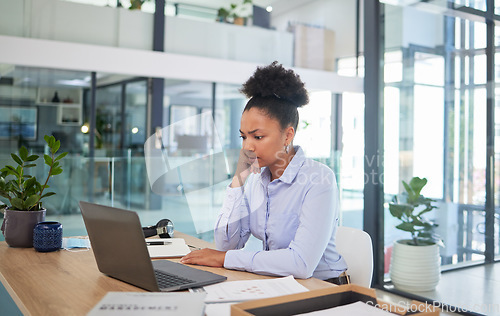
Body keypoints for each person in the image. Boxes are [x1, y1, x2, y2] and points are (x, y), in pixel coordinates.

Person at [180, 61, 348, 284]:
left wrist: (228, 259)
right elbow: (226, 246)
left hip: (324, 287)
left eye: (257, 137)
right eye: (243, 137)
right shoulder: (256, 179)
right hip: (280, 283)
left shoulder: (319, 179)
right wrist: (238, 181)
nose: (247, 147)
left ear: (288, 136)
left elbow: (301, 264)